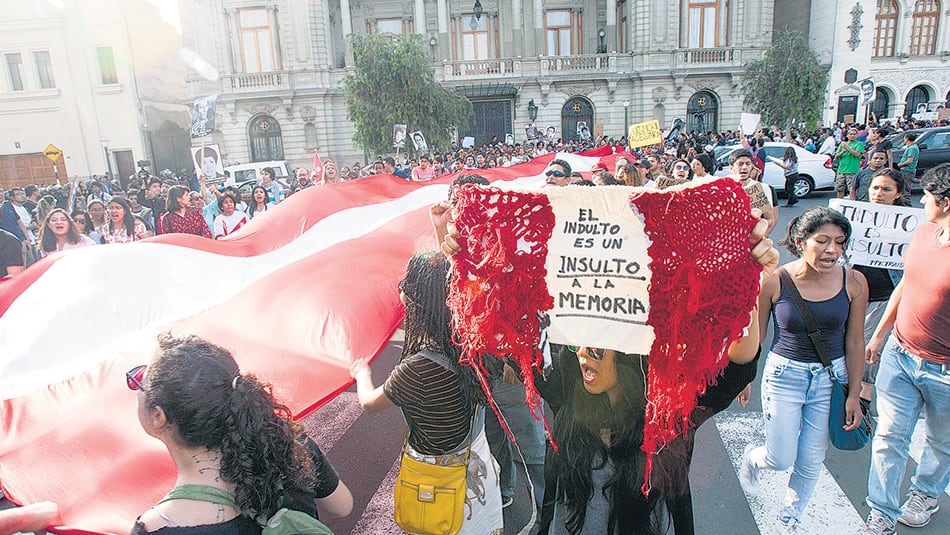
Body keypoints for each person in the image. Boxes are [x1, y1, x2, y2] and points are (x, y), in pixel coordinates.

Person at [128, 335, 352, 533]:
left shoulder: (159, 526)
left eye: (139, 380)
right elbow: (343, 506)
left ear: (159, 416)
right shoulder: (289, 445)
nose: (136, 383)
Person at [349, 252, 504, 534]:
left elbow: (369, 404)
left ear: (418, 303)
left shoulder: (417, 369)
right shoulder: (474, 341)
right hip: (478, 470)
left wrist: (362, 374)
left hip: (441, 487)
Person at [740, 207, 868, 531]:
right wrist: (744, 377)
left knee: (811, 459)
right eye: (822, 241)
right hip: (785, 377)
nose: (832, 251)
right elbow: (756, 334)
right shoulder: (774, 280)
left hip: (830, 379)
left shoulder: (854, 282)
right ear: (800, 241)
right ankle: (754, 459)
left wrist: (854, 393)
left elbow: (854, 340)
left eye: (840, 242)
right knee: (780, 458)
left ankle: (791, 516)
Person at [859, 164, 950, 535]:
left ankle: (925, 492)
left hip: (944, 370)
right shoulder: (925, 231)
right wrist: (879, 335)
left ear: (945, 202)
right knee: (888, 437)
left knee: (940, 442)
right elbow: (905, 284)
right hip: (900, 353)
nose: (923, 202)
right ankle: (881, 511)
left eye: (928, 197)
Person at [852, 169, 906, 406]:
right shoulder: (855, 217)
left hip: (884, 294)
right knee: (850, 341)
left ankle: (866, 392)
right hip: (852, 293)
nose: (879, 194)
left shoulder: (908, 223)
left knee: (870, 343)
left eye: (886, 189)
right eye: (875, 188)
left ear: (898, 193)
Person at [834, 128, 865, 199]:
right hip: (841, 170)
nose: (852, 136)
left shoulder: (859, 144)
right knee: (839, 189)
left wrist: (847, 148)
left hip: (852, 170)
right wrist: (843, 151)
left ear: (857, 135)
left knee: (852, 189)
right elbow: (837, 156)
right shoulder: (843, 144)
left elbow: (857, 154)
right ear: (847, 135)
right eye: (850, 134)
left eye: (854, 134)